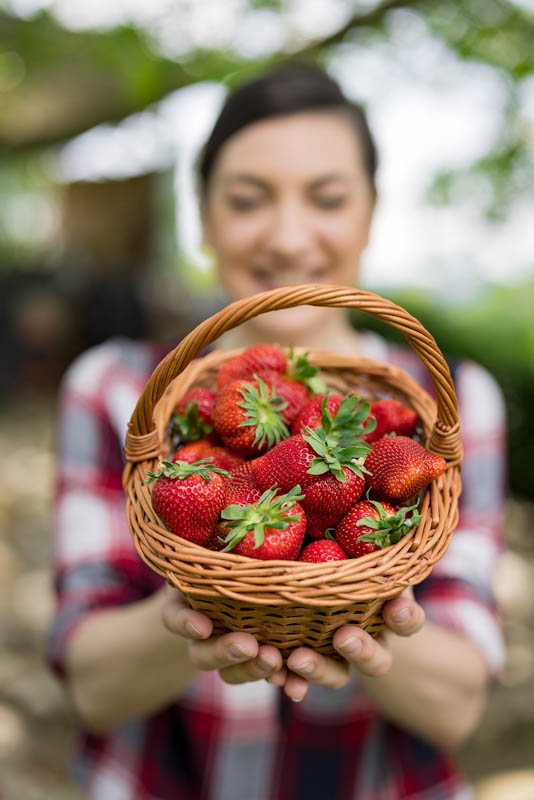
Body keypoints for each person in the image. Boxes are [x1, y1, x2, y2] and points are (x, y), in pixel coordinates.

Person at [48, 63, 506, 799]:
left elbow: (458, 705)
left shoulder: (447, 406)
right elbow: (90, 683)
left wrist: (355, 620)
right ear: (202, 216)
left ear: (370, 211)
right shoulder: (120, 391)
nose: (289, 237)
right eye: (247, 200)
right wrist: (196, 606)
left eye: (326, 198)